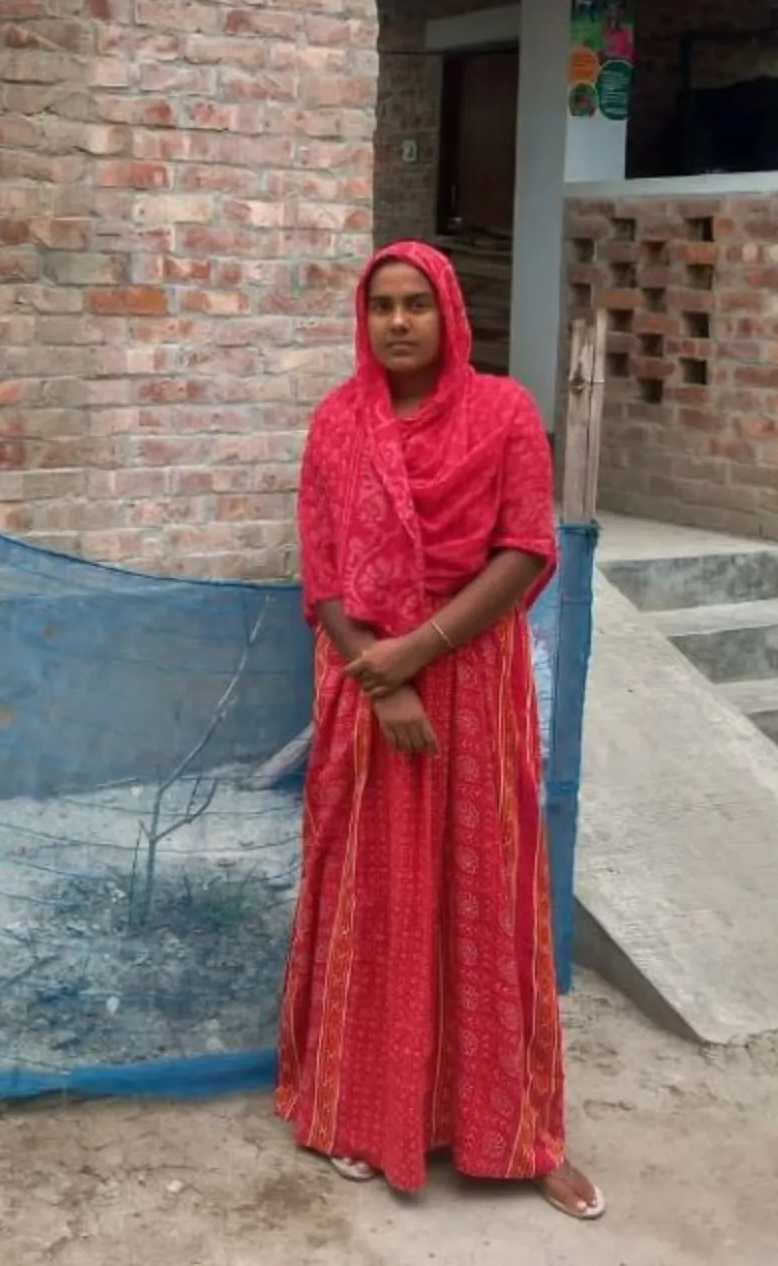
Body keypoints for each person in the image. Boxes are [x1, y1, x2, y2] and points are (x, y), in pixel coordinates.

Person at [274, 240, 604, 1222]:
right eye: (383, 306)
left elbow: (525, 549)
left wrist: (415, 652)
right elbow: (324, 573)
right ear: (363, 318)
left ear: (450, 312)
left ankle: (519, 1131)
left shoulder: (503, 413)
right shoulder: (338, 424)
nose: (400, 322)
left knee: (487, 896)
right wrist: (381, 682)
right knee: (372, 902)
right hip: (369, 696)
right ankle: (368, 1110)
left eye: (418, 303)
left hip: (474, 687)